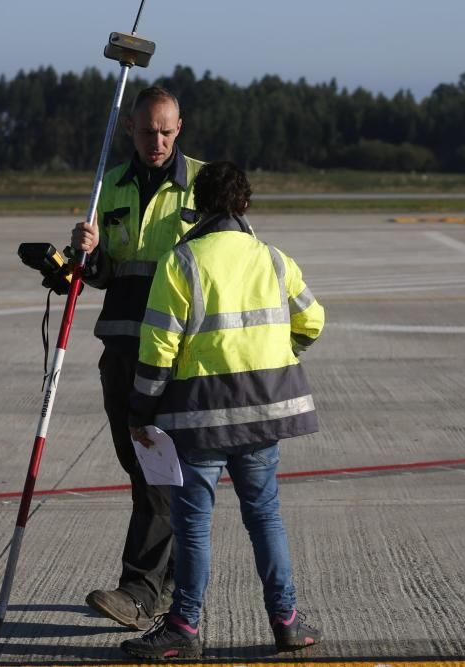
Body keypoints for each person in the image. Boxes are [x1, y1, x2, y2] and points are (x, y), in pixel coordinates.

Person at [120, 161, 325, 659]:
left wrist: (141, 408)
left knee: (193, 525)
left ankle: (184, 628)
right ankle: (287, 621)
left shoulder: (183, 261)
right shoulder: (274, 259)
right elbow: (313, 320)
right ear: (245, 204)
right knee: (265, 518)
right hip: (262, 415)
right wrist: (282, 348)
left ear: (199, 208)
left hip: (199, 419)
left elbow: (159, 346)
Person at [71, 86, 204, 631]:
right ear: (131, 128)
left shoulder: (203, 183)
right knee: (141, 470)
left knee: (155, 477)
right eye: (148, 130)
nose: (158, 141)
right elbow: (104, 275)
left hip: (172, 357)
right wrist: (87, 254)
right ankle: (172, 577)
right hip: (121, 349)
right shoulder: (111, 186)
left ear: (180, 128)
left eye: (167, 131)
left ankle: (140, 590)